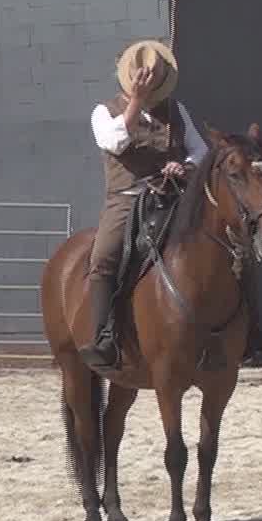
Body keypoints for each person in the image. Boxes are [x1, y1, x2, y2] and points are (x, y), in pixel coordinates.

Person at [79, 39, 208, 372]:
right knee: (103, 257)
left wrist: (185, 166)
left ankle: (241, 330)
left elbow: (200, 152)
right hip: (128, 199)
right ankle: (102, 336)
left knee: (225, 240)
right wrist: (135, 102)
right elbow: (114, 142)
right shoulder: (104, 111)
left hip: (174, 195)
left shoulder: (177, 110)